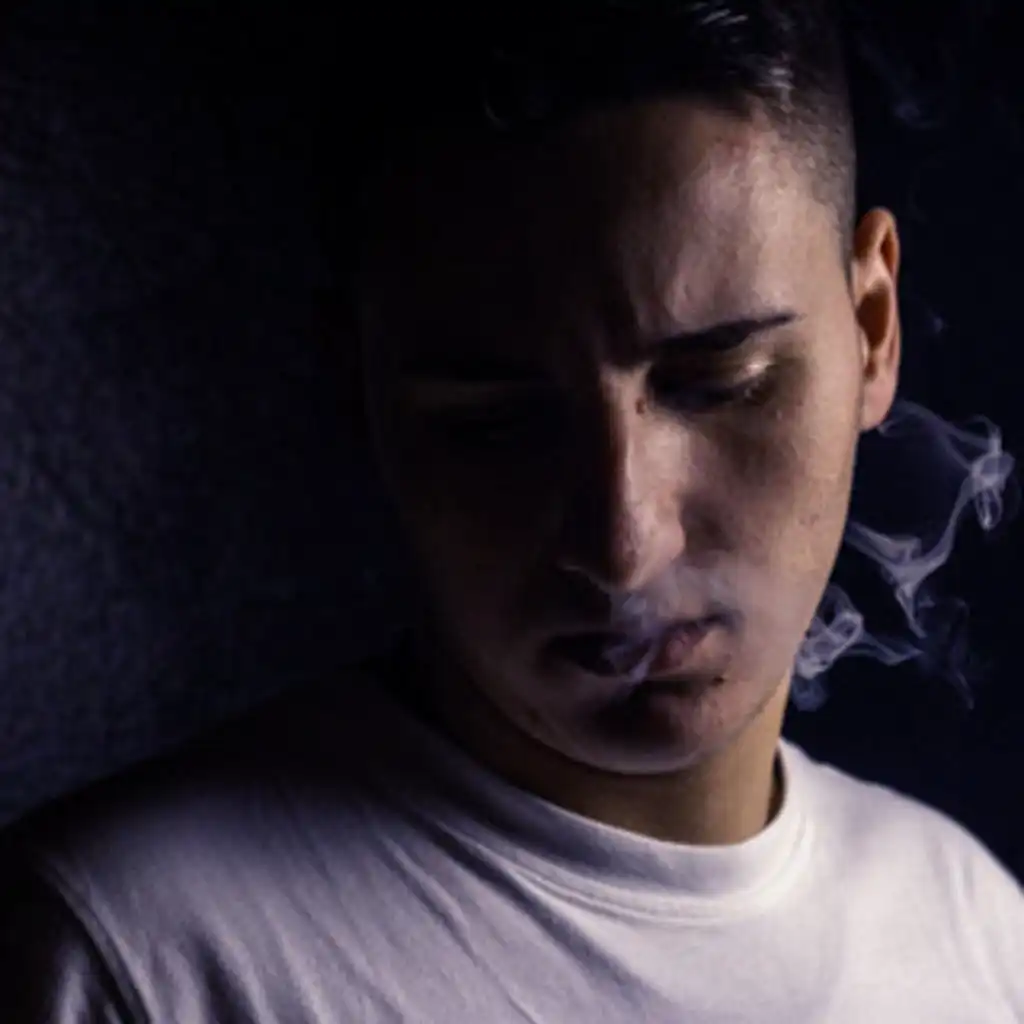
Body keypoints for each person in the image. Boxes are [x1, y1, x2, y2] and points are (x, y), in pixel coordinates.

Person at [1, 2, 1022, 1021]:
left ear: (872, 329)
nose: (624, 547)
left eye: (720, 384)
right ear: (357, 392)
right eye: (495, 423)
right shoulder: (131, 961)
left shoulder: (973, 929)